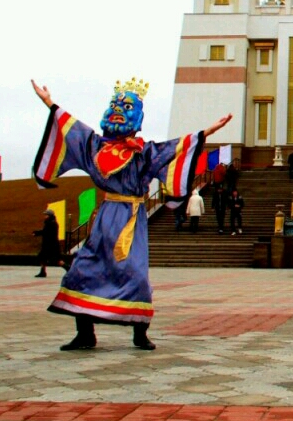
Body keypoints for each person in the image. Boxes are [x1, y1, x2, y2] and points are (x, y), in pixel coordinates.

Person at [31, 78, 230, 351]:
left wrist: (206, 132)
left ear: (136, 115)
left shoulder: (143, 153)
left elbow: (175, 148)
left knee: (135, 274)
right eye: (115, 105)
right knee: (82, 270)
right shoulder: (95, 146)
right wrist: (48, 102)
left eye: (125, 106)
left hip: (131, 218)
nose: (118, 110)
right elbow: (72, 127)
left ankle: (140, 333)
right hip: (105, 219)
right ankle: (85, 334)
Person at [33, 209, 61, 278]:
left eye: (46, 215)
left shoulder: (51, 223)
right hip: (48, 244)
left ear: (50, 215)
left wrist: (37, 233)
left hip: (51, 244)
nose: (45, 216)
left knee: (56, 260)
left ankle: (68, 268)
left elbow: (46, 232)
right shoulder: (49, 222)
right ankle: (43, 272)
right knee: (42, 257)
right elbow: (45, 231)